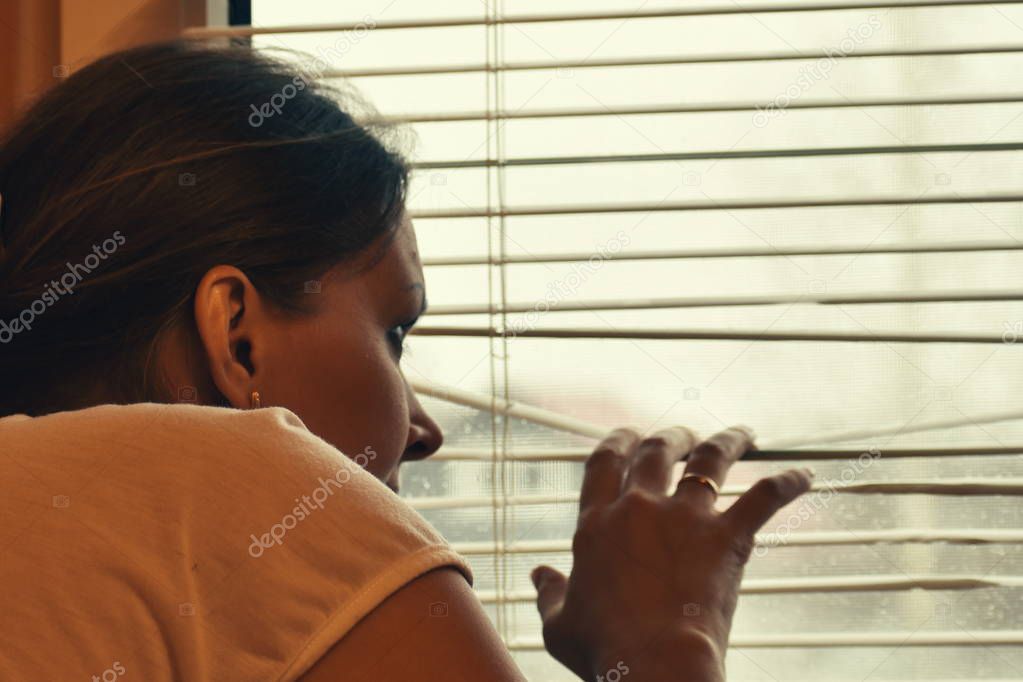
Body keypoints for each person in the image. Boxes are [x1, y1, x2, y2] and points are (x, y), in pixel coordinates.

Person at [0, 40, 813, 681]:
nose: (425, 430)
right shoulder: (235, 483)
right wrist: (671, 644)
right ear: (237, 340)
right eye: (393, 332)